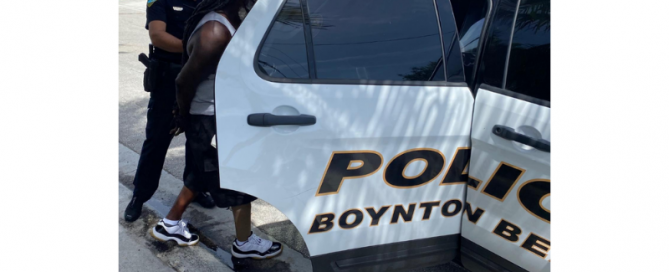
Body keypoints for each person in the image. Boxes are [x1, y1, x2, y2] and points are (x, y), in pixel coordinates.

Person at [150, 0, 283, 259]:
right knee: (237, 177)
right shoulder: (215, 30)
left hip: (219, 113)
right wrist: (184, 118)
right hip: (209, 116)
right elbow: (183, 81)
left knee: (202, 173)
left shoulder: (232, 20)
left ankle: (170, 224)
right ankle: (244, 243)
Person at [124, 0, 216, 223]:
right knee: (156, 140)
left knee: (198, 140)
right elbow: (158, 36)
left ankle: (194, 188)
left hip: (201, 79)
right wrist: (195, 48)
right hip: (168, 80)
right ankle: (140, 196)